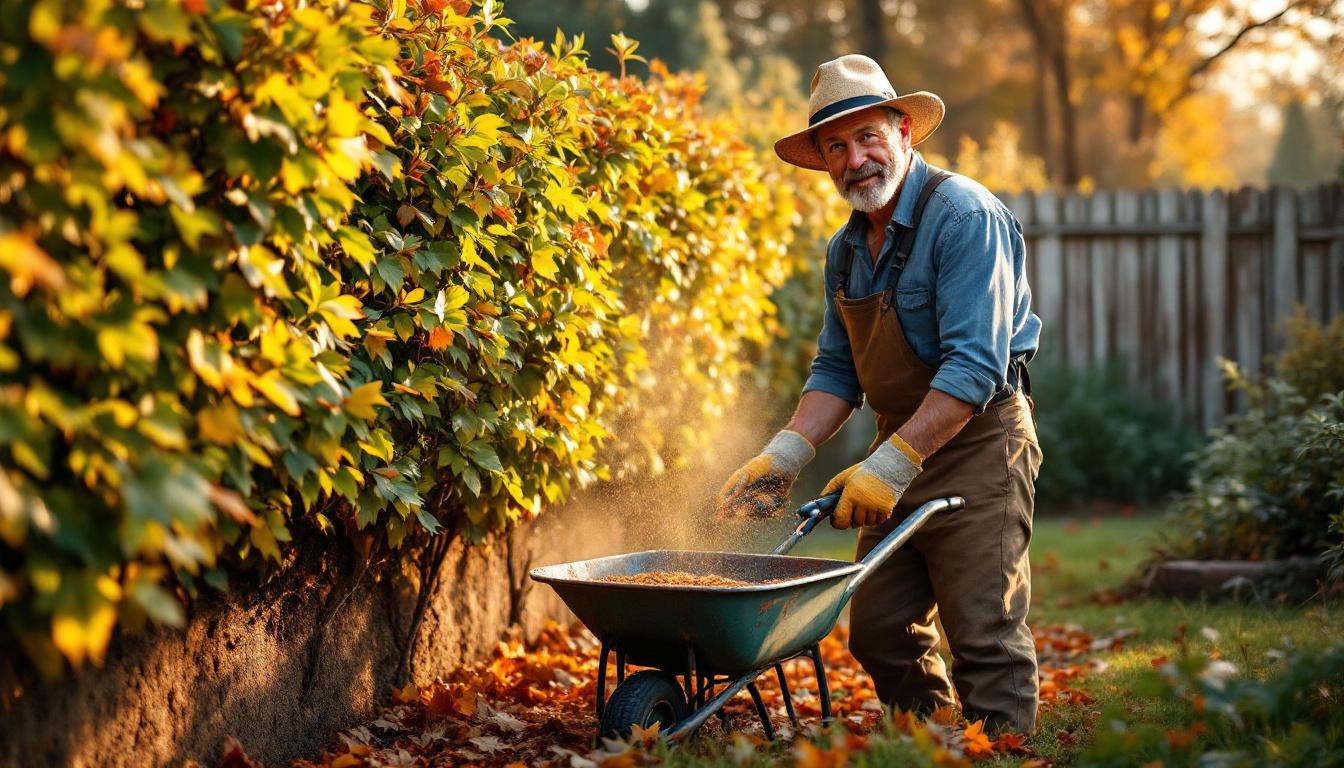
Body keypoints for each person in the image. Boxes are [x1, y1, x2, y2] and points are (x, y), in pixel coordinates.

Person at [715, 54, 1044, 734]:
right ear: (823, 160)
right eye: (836, 145)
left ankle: (1006, 749)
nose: (854, 158)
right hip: (895, 447)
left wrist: (891, 464)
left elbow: (976, 367)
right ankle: (928, 741)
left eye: (868, 136)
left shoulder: (963, 217)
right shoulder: (846, 249)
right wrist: (782, 455)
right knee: (880, 631)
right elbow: (838, 370)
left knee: (984, 630)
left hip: (980, 443)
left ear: (904, 133)